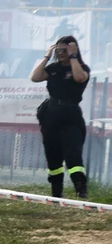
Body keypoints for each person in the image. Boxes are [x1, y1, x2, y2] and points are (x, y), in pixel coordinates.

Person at [30, 36, 90, 199]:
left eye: (64, 50)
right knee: (53, 154)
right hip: (51, 116)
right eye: (59, 50)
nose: (61, 54)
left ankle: (81, 189)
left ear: (73, 50)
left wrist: (73, 57)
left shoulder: (81, 67)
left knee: (72, 154)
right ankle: (57, 191)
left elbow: (79, 78)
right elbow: (35, 77)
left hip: (70, 116)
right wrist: (47, 56)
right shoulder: (53, 68)